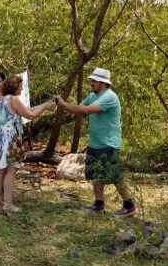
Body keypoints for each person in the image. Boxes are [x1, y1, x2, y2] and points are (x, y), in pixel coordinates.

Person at [53, 68, 136, 218]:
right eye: (91, 80)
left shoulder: (109, 97)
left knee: (115, 176)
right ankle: (99, 204)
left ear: (103, 82)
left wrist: (63, 104)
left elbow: (87, 110)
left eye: (94, 81)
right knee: (96, 174)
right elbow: (79, 109)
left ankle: (129, 206)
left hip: (108, 143)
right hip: (95, 142)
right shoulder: (93, 95)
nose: (91, 83)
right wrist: (63, 104)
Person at [0, 75, 53, 211]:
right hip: (12, 139)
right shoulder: (13, 99)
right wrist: (43, 109)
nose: (21, 88)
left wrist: (44, 105)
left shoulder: (3, 99)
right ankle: (7, 204)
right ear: (15, 86)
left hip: (2, 140)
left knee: (1, 169)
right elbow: (30, 115)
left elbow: (27, 110)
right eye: (20, 85)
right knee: (12, 169)